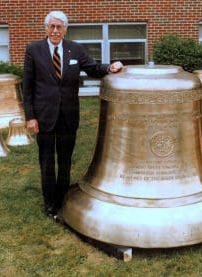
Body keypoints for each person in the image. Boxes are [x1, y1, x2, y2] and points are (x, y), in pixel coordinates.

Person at [22, 10, 123, 219]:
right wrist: (30, 117)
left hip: (68, 115)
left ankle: (63, 198)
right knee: (47, 160)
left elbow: (93, 68)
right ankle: (50, 203)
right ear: (46, 28)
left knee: (66, 159)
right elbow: (28, 86)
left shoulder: (75, 49)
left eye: (60, 27)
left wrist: (110, 67)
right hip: (44, 117)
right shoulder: (34, 50)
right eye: (52, 26)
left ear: (65, 29)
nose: (55, 31)